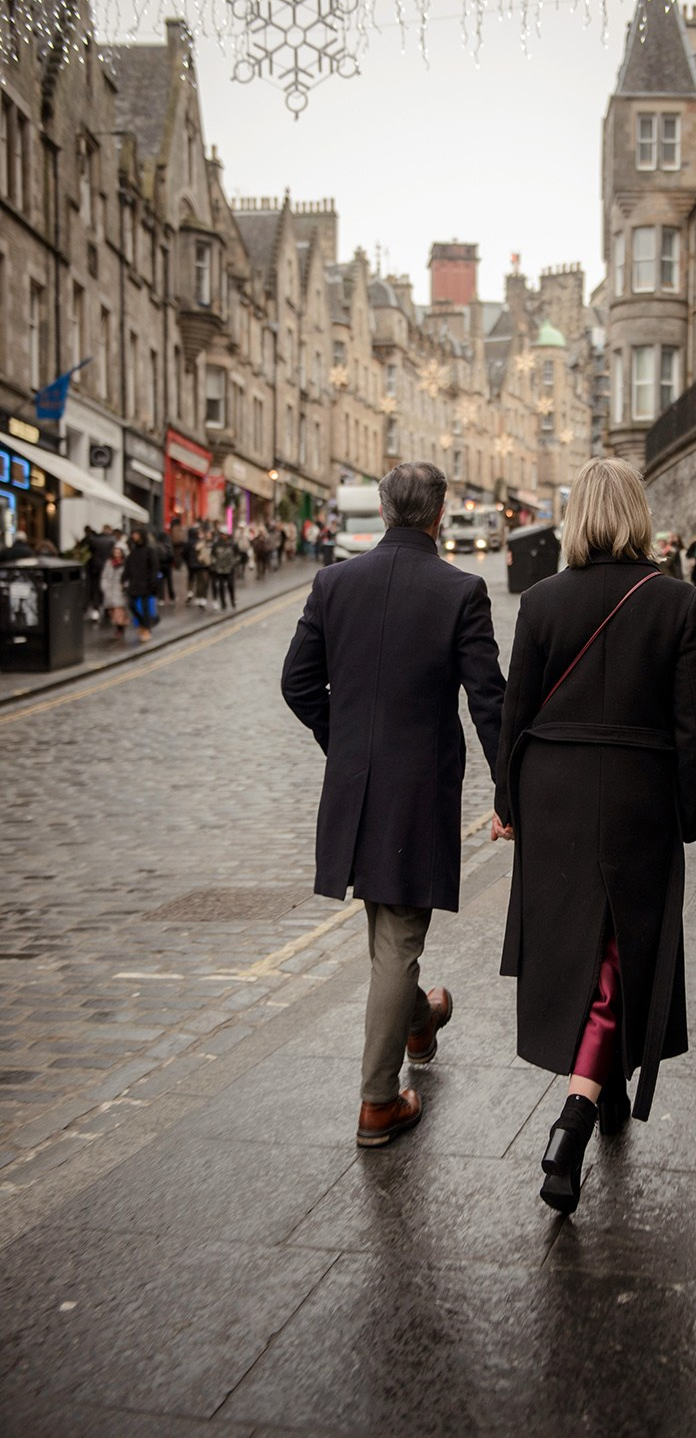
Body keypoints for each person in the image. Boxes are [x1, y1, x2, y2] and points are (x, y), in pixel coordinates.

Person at [492, 457, 696, 1215]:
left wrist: (507, 801)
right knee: (621, 948)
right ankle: (573, 1120)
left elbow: (514, 713)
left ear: (574, 519)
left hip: (552, 792)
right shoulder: (677, 603)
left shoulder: (541, 601)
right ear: (637, 514)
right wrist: (690, 813)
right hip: (636, 793)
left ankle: (602, 1087)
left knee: (584, 947)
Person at [281, 461, 506, 1150]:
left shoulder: (333, 581)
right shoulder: (460, 589)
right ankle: (379, 1101)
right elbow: (488, 702)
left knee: (389, 931)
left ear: (383, 511)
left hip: (356, 786)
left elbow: (297, 684)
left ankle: (418, 1022)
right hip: (417, 789)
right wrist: (511, 791)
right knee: (398, 939)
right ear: (439, 516)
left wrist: (344, 743)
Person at [122, 526, 160, 642]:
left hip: (146, 583)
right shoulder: (133, 551)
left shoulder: (150, 550)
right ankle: (144, 624)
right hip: (134, 583)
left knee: (145, 607)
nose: (134, 536)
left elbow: (154, 568)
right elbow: (128, 566)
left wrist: (152, 582)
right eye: (133, 534)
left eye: (136, 534)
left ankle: (146, 629)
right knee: (131, 605)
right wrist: (123, 579)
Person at [100, 540, 129, 639]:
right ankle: (119, 627)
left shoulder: (125, 564)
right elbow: (104, 576)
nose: (116, 553)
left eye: (119, 551)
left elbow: (128, 577)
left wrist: (125, 585)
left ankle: (120, 629)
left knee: (119, 611)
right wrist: (104, 587)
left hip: (119, 591)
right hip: (109, 591)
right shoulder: (109, 563)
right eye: (115, 551)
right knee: (112, 612)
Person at [211, 527, 238, 610]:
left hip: (230, 568)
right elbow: (213, 555)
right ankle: (223, 603)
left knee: (230, 585)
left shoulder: (232, 544)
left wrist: (233, 562)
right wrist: (215, 563)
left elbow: (237, 555)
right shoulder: (216, 544)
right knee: (221, 586)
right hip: (220, 569)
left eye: (225, 534)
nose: (223, 536)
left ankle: (232, 601)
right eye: (222, 534)